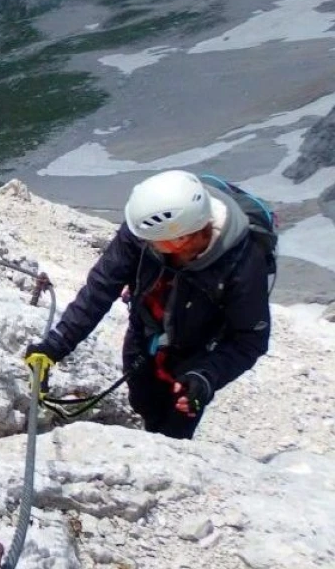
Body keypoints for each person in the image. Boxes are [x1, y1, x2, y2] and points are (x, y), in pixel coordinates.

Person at [23, 170, 272, 439]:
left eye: (151, 240)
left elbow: (250, 339)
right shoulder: (145, 230)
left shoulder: (243, 264)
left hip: (197, 351)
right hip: (145, 331)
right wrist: (54, 346)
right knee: (142, 400)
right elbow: (101, 288)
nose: (140, 241)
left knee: (175, 428)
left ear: (180, 239)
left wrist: (206, 377)